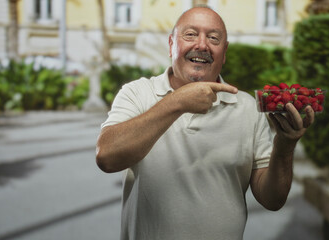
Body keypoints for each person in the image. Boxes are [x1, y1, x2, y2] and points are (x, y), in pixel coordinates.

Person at [96, 6, 315, 240]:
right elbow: (107, 157)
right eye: (190, 34)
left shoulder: (248, 107)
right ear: (171, 44)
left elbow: (272, 200)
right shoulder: (137, 93)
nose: (202, 45)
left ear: (225, 51)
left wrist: (285, 146)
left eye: (213, 38)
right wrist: (176, 103)